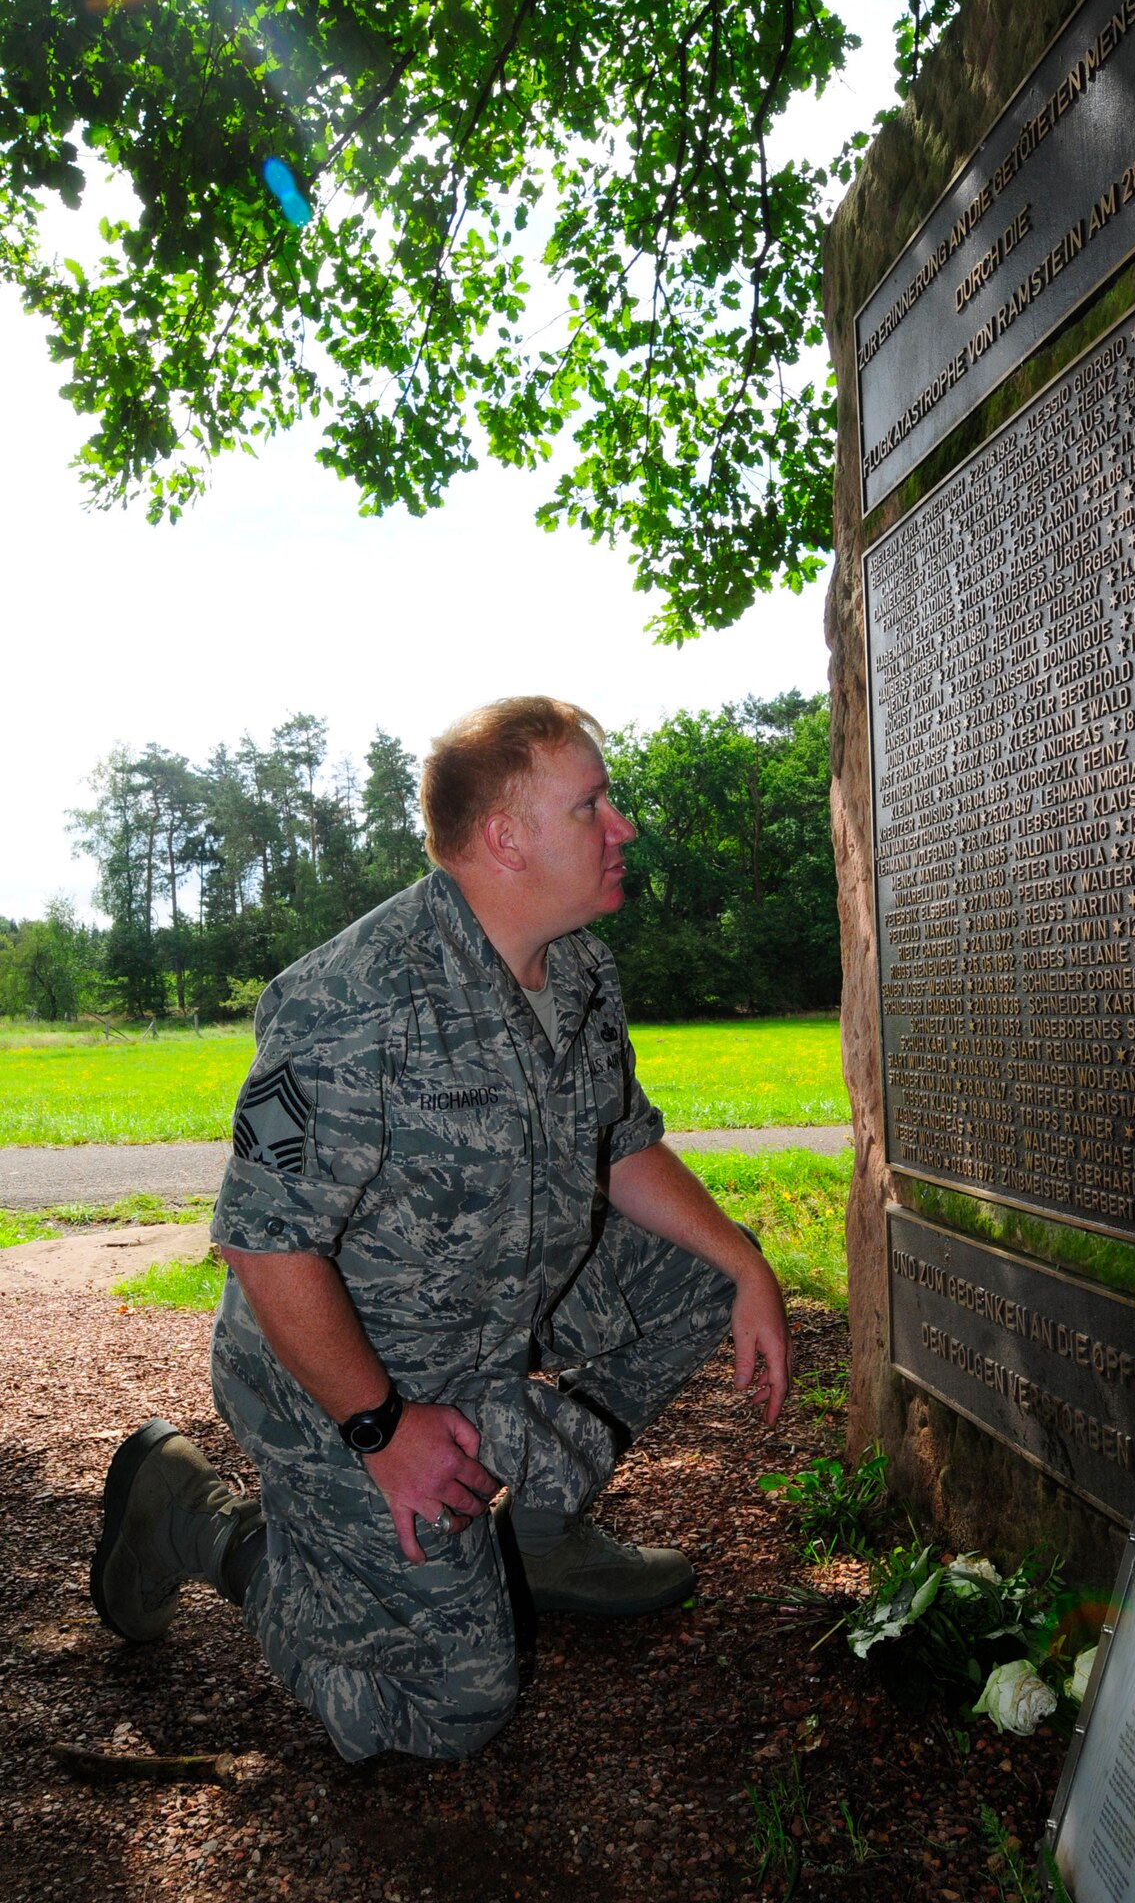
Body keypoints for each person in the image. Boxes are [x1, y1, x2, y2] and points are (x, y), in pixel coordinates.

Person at [91, 696, 792, 1763]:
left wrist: (743, 1261)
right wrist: (382, 1430)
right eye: (591, 803)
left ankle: (540, 1532)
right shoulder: (356, 996)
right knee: (443, 1712)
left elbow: (619, 1142)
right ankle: (200, 1518)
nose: (624, 825)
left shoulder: (582, 971)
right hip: (339, 1379)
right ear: (506, 837)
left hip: (484, 1319)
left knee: (696, 1274)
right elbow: (264, 1243)